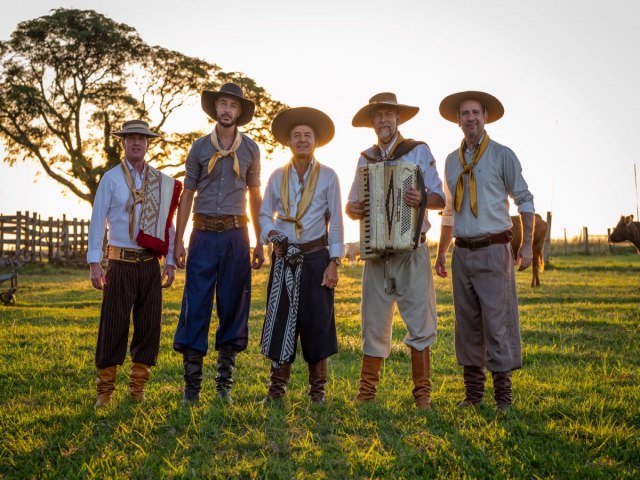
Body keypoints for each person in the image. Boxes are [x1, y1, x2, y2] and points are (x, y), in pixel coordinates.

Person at [434, 91, 535, 411]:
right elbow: (449, 212)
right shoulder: (452, 160)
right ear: (458, 120)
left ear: (486, 117)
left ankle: (503, 396)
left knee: (498, 321)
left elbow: (525, 201)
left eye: (476, 112)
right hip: (462, 252)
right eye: (464, 113)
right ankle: (473, 394)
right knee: (466, 324)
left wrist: (529, 245)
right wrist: (441, 253)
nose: (470, 118)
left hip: (494, 249)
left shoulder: (503, 155)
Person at [345, 93, 445, 410]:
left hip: (411, 250)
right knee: (373, 320)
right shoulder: (366, 158)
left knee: (420, 320)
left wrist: (422, 198)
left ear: (398, 118)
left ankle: (422, 395)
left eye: (389, 114)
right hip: (376, 252)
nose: (384, 120)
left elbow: (441, 198)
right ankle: (367, 392)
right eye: (379, 116)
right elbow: (351, 206)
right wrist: (355, 208)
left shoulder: (417, 151)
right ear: (372, 122)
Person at [172, 83, 264, 405]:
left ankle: (223, 385)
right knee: (196, 304)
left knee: (233, 306)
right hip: (203, 232)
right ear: (216, 109)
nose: (227, 110)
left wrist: (259, 241)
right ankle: (191, 388)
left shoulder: (251, 149)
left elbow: (255, 197)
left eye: (233, 106)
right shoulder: (198, 148)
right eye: (222, 104)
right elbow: (187, 195)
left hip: (237, 235)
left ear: (239, 112)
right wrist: (178, 240)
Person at [88, 120, 181, 408]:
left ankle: (138, 386)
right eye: (131, 139)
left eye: (141, 138)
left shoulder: (159, 181)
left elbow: (167, 222)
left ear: (148, 143)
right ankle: (105, 390)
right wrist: (95, 262)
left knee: (149, 324)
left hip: (149, 263)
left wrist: (170, 261)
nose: (136, 143)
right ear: (123, 143)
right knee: (113, 324)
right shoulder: (111, 179)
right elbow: (97, 220)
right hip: (120, 261)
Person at [259, 107, 345, 403]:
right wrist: (272, 234)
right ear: (289, 142)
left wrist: (334, 263)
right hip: (284, 257)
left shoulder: (329, 177)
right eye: (297, 136)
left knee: (317, 322)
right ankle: (276, 390)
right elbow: (263, 214)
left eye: (308, 135)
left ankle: (317, 392)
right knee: (281, 319)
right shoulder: (276, 176)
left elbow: (336, 223)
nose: (302, 140)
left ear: (316, 142)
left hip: (316, 256)